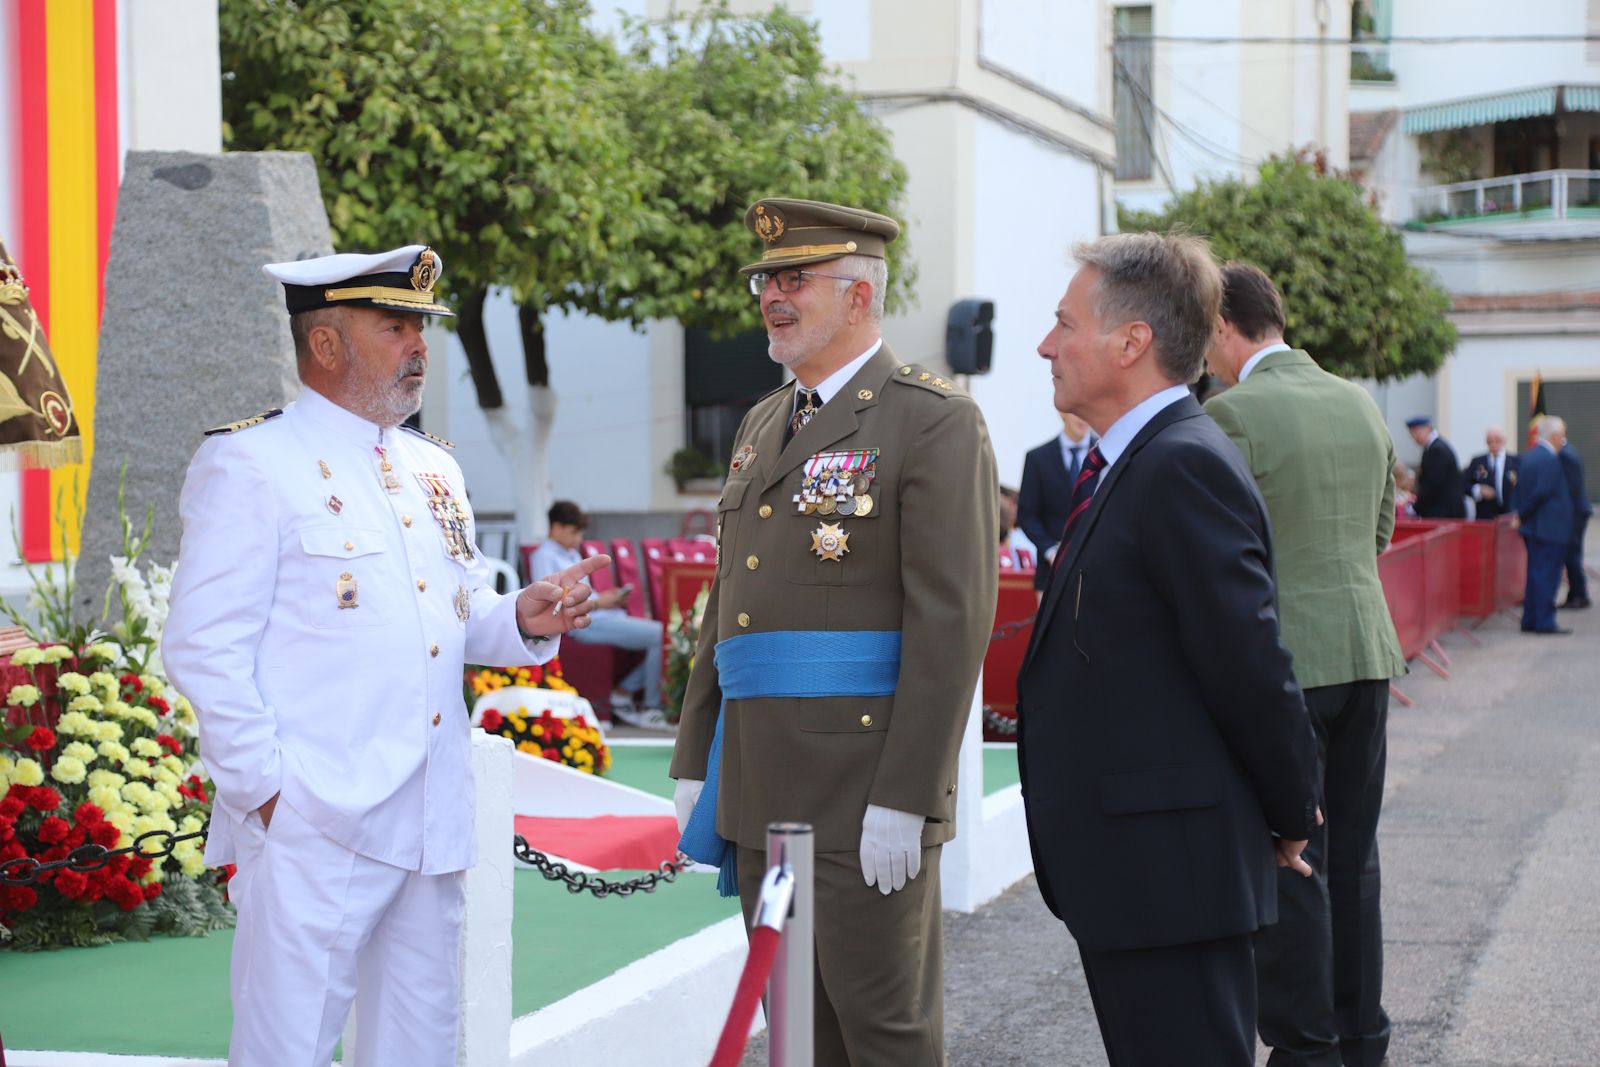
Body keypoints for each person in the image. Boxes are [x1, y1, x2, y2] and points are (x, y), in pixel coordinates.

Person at [162, 245, 608, 1067]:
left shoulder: (432, 467)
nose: (420, 346)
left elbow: (457, 611)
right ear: (326, 345)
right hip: (316, 815)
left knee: (419, 1045)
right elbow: (201, 644)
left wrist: (523, 616)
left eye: (423, 326)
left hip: (428, 812)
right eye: (395, 324)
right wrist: (268, 793)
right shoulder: (253, 463)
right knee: (285, 1048)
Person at [669, 197, 998, 1065]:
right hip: (757, 785)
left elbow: (951, 621)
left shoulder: (932, 421)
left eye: (794, 279)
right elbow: (727, 605)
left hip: (862, 791)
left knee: (882, 1034)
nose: (772, 296)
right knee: (797, 1038)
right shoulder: (760, 424)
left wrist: (910, 793)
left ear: (859, 295)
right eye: (765, 281)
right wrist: (692, 756)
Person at [1017, 232, 1319, 1066]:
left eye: (1064, 324)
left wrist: (1293, 811)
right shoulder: (1133, 463)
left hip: (1171, 877)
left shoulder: (1181, 464)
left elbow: (1250, 664)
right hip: (1138, 875)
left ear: (1132, 341)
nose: (1047, 345)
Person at [1204, 262, 1407, 1067]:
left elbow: (1222, 547)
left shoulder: (1232, 413)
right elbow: (1383, 527)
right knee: (1355, 856)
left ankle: (1306, 1045)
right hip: (1367, 648)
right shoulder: (1360, 402)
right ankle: (1362, 1038)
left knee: (1292, 859)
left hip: (1289, 660)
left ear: (1225, 327)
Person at [528, 500, 671, 729]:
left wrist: (607, 597)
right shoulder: (543, 556)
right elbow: (555, 600)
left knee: (665, 634)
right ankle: (650, 707)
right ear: (556, 528)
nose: (579, 539)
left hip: (601, 615)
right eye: (574, 532)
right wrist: (600, 603)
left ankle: (625, 692)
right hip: (584, 623)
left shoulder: (571, 554)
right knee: (661, 635)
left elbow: (584, 592)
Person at [1017, 411, 1097, 594]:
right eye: (1077, 411)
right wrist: (1050, 550)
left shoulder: (1107, 456)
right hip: (1050, 572)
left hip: (1094, 571)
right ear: (1063, 413)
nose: (1083, 417)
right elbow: (1027, 515)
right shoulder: (1037, 458)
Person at [1516, 415, 1575, 635]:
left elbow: (1522, 491)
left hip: (1535, 528)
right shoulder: (1549, 459)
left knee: (1535, 575)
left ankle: (1531, 619)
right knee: (1546, 577)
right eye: (1562, 435)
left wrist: (1522, 515)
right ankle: (1543, 621)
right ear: (1555, 435)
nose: (1563, 440)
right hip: (1549, 528)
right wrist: (1523, 513)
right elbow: (1541, 493)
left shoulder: (1530, 456)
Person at [1405, 416, 1466, 518]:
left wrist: (1415, 508)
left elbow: (1432, 484)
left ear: (1427, 429)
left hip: (1444, 512)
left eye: (1416, 432)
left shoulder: (1437, 450)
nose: (1414, 437)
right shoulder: (1432, 448)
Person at [1560, 437, 1593, 609]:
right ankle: (1576, 594)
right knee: (1572, 554)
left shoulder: (1566, 454)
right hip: (1576, 511)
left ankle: (1579, 596)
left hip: (1575, 512)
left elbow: (1571, 487)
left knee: (1572, 554)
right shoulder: (1567, 451)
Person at [1464, 426, 1519, 521]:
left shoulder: (1516, 462)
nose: (1493, 444)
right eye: (1490, 441)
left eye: (1497, 440)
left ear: (1504, 441)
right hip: (1485, 516)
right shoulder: (1477, 461)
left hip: (1509, 516)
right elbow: (1464, 484)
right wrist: (1478, 490)